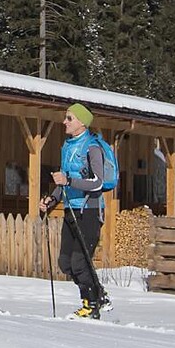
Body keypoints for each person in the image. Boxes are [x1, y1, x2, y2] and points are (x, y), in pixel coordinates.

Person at [51, 103, 117, 318]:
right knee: (65, 262)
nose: (64, 122)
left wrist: (69, 180)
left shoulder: (92, 147)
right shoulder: (67, 146)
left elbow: (97, 182)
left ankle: (91, 305)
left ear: (81, 122)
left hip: (89, 212)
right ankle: (99, 295)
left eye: (69, 118)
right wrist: (51, 200)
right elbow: (63, 183)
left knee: (80, 262)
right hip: (71, 210)